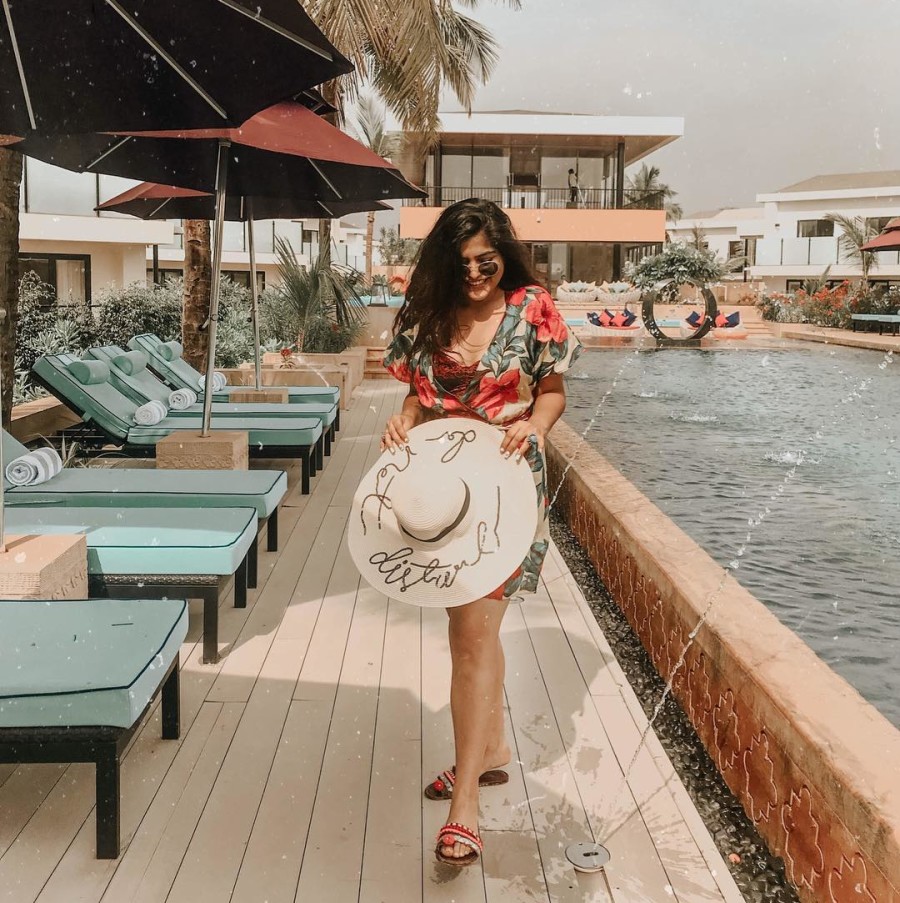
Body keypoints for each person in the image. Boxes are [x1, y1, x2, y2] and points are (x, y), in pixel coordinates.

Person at [380, 198, 581, 866]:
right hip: (438, 493)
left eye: (484, 261)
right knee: (467, 631)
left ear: (504, 254)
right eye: (461, 261)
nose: (473, 273)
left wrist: (537, 425)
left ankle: (465, 802)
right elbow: (416, 388)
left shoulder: (532, 308)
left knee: (472, 634)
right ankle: (490, 749)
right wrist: (406, 417)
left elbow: (551, 388)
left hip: (502, 489)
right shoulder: (431, 307)